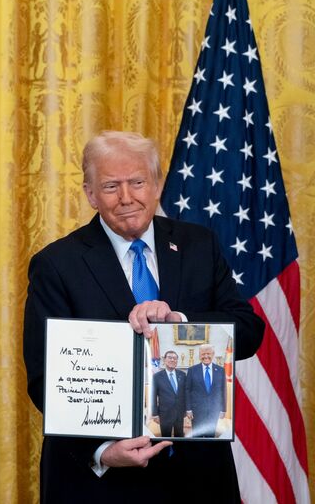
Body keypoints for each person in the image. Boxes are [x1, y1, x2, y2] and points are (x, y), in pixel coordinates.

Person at [22, 131, 264, 503]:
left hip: (199, 476)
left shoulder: (200, 245)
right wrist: (102, 450)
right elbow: (44, 380)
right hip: (99, 482)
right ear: (90, 194)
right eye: (110, 186)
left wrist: (181, 321)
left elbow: (249, 332)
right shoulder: (56, 265)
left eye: (137, 182)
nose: (126, 198)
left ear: (156, 184)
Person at [185, 344, 227, 438]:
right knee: (197, 436)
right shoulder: (192, 370)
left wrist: (223, 409)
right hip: (196, 411)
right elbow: (187, 390)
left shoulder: (220, 370)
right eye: (203, 354)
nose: (206, 356)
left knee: (210, 436)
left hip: (214, 410)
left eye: (208, 353)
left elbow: (223, 391)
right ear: (199, 355)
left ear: (213, 354)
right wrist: (188, 409)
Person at [150, 350, 186, 437]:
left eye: (175, 358)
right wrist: (155, 414)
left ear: (177, 361)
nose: (172, 360)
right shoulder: (157, 377)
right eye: (170, 358)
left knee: (180, 437)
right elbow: (153, 396)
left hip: (179, 413)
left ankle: (179, 451)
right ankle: (166, 451)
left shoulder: (182, 375)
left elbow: (186, 393)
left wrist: (186, 409)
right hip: (165, 414)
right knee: (165, 438)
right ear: (164, 360)